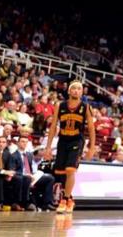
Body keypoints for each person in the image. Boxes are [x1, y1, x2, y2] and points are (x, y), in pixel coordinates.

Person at [43, 81, 96, 214]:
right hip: (63, 139)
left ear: (82, 92)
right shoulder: (60, 105)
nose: (76, 91)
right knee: (61, 172)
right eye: (74, 88)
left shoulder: (86, 107)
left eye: (79, 89)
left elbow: (91, 128)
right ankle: (70, 198)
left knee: (70, 169)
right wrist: (48, 147)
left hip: (77, 140)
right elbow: (53, 126)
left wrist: (91, 147)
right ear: (69, 91)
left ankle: (65, 200)